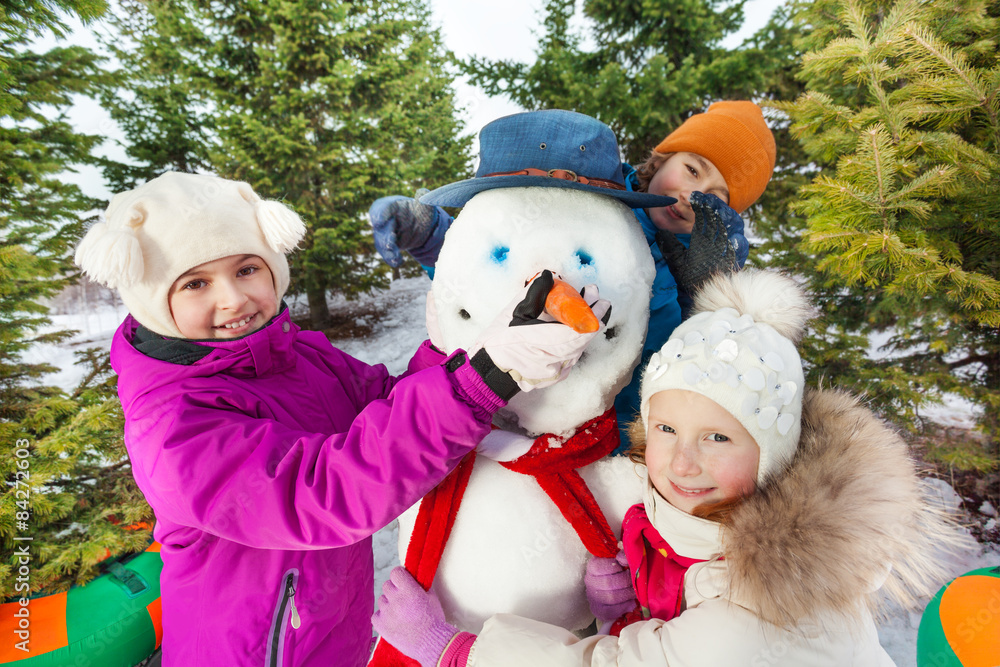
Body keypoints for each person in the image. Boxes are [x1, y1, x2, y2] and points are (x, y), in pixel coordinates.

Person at [73, 171, 609, 667]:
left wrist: (474, 348)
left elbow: (389, 405)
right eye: (196, 284)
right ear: (151, 299)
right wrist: (483, 378)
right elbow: (325, 494)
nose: (233, 298)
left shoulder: (299, 355)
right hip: (246, 652)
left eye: (246, 269)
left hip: (332, 633)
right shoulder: (172, 426)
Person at [372, 270, 965, 666]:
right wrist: (628, 612)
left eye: (717, 436)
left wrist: (448, 648)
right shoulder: (706, 527)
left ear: (775, 453)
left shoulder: (770, 603)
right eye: (666, 429)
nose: (683, 461)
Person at [370, 102, 777, 446]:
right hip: (505, 413)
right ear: (662, 158)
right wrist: (428, 235)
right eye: (692, 169)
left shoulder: (700, 266)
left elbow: (696, 370)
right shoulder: (587, 190)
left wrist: (710, 293)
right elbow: (499, 260)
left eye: (716, 196)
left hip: (609, 439)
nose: (693, 195)